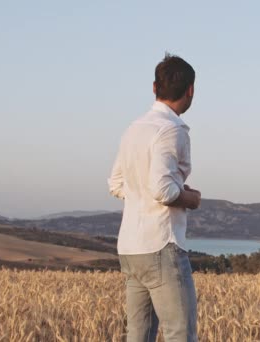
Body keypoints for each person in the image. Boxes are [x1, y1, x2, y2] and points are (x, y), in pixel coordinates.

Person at [108, 53, 201, 342]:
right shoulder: (171, 130)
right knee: (180, 335)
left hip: (132, 248)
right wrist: (190, 198)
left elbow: (116, 183)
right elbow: (163, 190)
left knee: (138, 336)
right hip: (162, 245)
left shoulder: (133, 130)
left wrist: (140, 196)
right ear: (190, 91)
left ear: (154, 88)